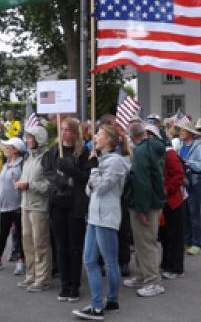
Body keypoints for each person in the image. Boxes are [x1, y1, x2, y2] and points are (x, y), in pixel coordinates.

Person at [72, 124, 130, 320]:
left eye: (99, 134)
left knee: (110, 261)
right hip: (94, 215)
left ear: (109, 140)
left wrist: (95, 169)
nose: (95, 136)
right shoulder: (100, 159)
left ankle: (99, 306)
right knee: (90, 259)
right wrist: (94, 173)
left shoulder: (115, 162)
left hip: (106, 216)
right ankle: (109, 301)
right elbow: (90, 190)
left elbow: (102, 188)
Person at [42, 118, 91, 302]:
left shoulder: (83, 151)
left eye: (67, 130)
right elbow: (47, 170)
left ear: (74, 132)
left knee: (75, 247)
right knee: (61, 247)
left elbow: (86, 176)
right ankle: (64, 284)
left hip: (75, 205)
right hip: (58, 204)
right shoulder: (54, 151)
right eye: (61, 129)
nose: (64, 133)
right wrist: (60, 180)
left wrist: (69, 170)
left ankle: (74, 285)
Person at [122, 122, 166, 297]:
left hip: (146, 205)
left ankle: (153, 281)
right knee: (143, 243)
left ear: (132, 137)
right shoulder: (151, 147)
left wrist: (142, 210)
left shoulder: (141, 151)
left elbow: (142, 182)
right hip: (150, 202)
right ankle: (142, 275)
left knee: (146, 244)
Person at [15, 125, 51, 292]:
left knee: (40, 243)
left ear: (39, 139)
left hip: (39, 207)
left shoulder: (46, 158)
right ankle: (31, 276)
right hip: (25, 205)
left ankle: (42, 279)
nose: (27, 140)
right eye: (27, 137)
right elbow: (25, 179)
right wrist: (20, 184)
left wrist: (30, 185)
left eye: (31, 138)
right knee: (27, 242)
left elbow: (49, 185)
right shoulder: (28, 158)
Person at [0, 137, 26, 275]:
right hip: (4, 207)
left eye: (8, 147)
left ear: (15, 150)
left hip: (17, 207)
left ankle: (21, 262)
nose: (5, 149)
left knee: (20, 235)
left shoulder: (22, 165)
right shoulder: (6, 163)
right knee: (2, 234)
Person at [178, 119, 201, 255]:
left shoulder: (199, 146)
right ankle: (188, 241)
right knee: (185, 214)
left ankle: (197, 243)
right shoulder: (181, 146)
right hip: (185, 184)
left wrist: (188, 162)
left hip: (196, 183)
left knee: (195, 214)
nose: (181, 132)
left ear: (190, 133)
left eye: (183, 130)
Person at [159, 140, 185, 279]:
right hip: (166, 200)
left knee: (174, 236)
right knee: (165, 235)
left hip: (173, 201)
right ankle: (166, 263)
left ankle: (175, 267)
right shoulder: (164, 154)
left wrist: (167, 189)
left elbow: (178, 176)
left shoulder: (170, 154)